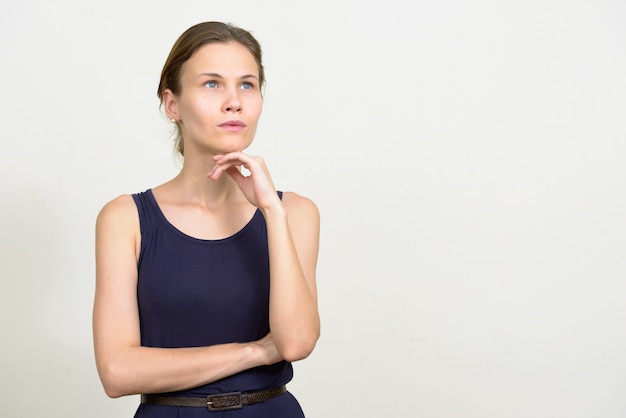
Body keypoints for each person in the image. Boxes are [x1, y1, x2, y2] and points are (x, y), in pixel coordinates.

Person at [92, 21, 321, 417]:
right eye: (212, 84)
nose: (234, 102)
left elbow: (297, 342)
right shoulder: (125, 218)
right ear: (172, 104)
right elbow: (117, 372)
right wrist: (256, 351)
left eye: (247, 85)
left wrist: (271, 210)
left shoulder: (294, 213)